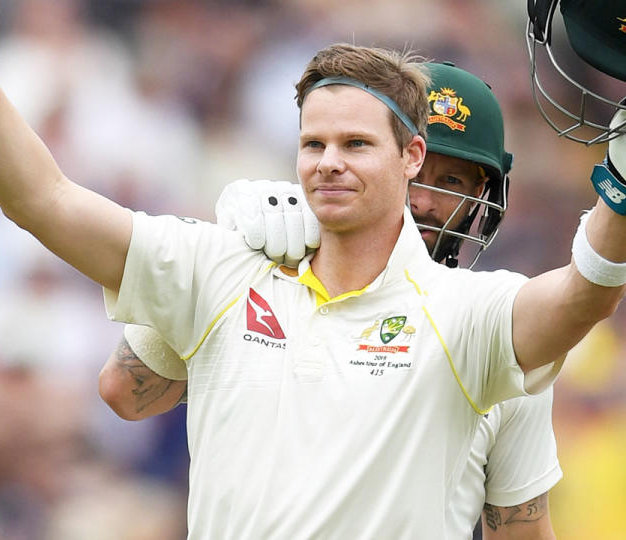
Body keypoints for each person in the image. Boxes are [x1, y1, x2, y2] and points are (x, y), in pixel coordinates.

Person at [0, 1, 626, 537]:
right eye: (316, 145)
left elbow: (583, 302)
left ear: (410, 156)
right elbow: (47, 205)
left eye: (358, 145)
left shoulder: (472, 316)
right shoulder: (229, 258)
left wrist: (622, 194)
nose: (332, 163)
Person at [100, 61, 562, 540]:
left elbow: (520, 529)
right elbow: (124, 392)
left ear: (483, 198)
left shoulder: (499, 331)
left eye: (452, 183)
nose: (423, 202)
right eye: (420, 175)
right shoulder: (271, 272)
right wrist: (227, 257)